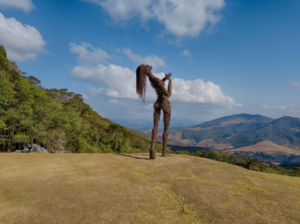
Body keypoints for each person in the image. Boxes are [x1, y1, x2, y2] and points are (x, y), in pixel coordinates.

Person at [136, 64, 172, 159]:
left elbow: (159, 84)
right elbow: (168, 94)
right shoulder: (155, 80)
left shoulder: (152, 79)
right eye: (147, 66)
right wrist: (170, 81)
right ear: (147, 70)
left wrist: (164, 79)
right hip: (164, 102)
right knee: (166, 128)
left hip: (157, 102)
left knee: (155, 126)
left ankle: (152, 149)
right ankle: (164, 152)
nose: (149, 66)